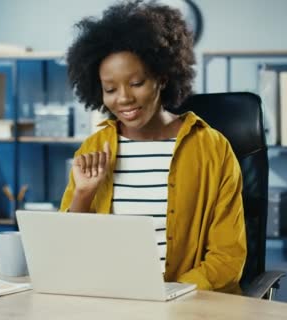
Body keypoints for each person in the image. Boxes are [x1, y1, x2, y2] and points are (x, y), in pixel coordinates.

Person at [59, 0, 246, 294]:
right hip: (108, 298)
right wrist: (83, 194)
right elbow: (68, 254)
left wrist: (165, 295)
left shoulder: (212, 147)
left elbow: (228, 259)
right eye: (110, 89)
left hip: (188, 304)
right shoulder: (94, 148)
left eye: (136, 83)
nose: (123, 99)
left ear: (162, 77)